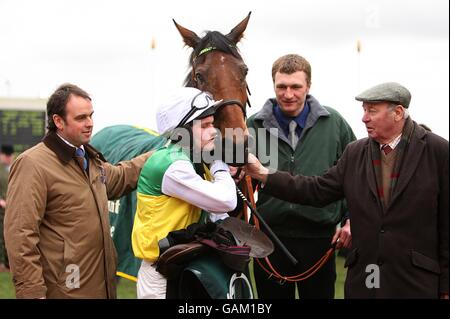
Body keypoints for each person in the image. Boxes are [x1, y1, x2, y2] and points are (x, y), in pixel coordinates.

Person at [245, 82, 449, 299]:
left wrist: (446, 287)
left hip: (416, 284)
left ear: (398, 113)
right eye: (364, 110)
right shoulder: (355, 152)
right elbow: (315, 190)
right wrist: (262, 172)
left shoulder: (438, 152)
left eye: (372, 110)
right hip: (365, 283)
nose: (364, 118)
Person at [4, 83, 151, 299]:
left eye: (91, 116)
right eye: (81, 118)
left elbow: (120, 177)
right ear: (58, 121)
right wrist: (31, 292)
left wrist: (163, 151)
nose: (90, 123)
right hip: (65, 290)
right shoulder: (32, 164)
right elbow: (20, 233)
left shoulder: (88, 159)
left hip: (100, 288)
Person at [246, 54, 355, 299]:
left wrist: (351, 219)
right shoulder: (252, 125)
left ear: (309, 85)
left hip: (321, 239)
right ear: (273, 85)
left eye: (296, 86)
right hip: (269, 239)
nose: (288, 94)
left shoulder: (335, 123)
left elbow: (357, 177)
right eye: (281, 87)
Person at [131, 87, 237, 299]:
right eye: (205, 126)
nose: (213, 131)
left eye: (212, 124)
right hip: (162, 275)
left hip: (184, 264)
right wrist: (220, 165)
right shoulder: (172, 164)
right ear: (183, 131)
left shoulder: (192, 158)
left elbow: (218, 215)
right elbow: (226, 201)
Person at [0, 144, 14, 272]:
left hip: (10, 208)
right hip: (2, 208)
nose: (9, 158)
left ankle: (8, 263)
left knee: (8, 236)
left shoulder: (11, 168)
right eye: (7, 155)